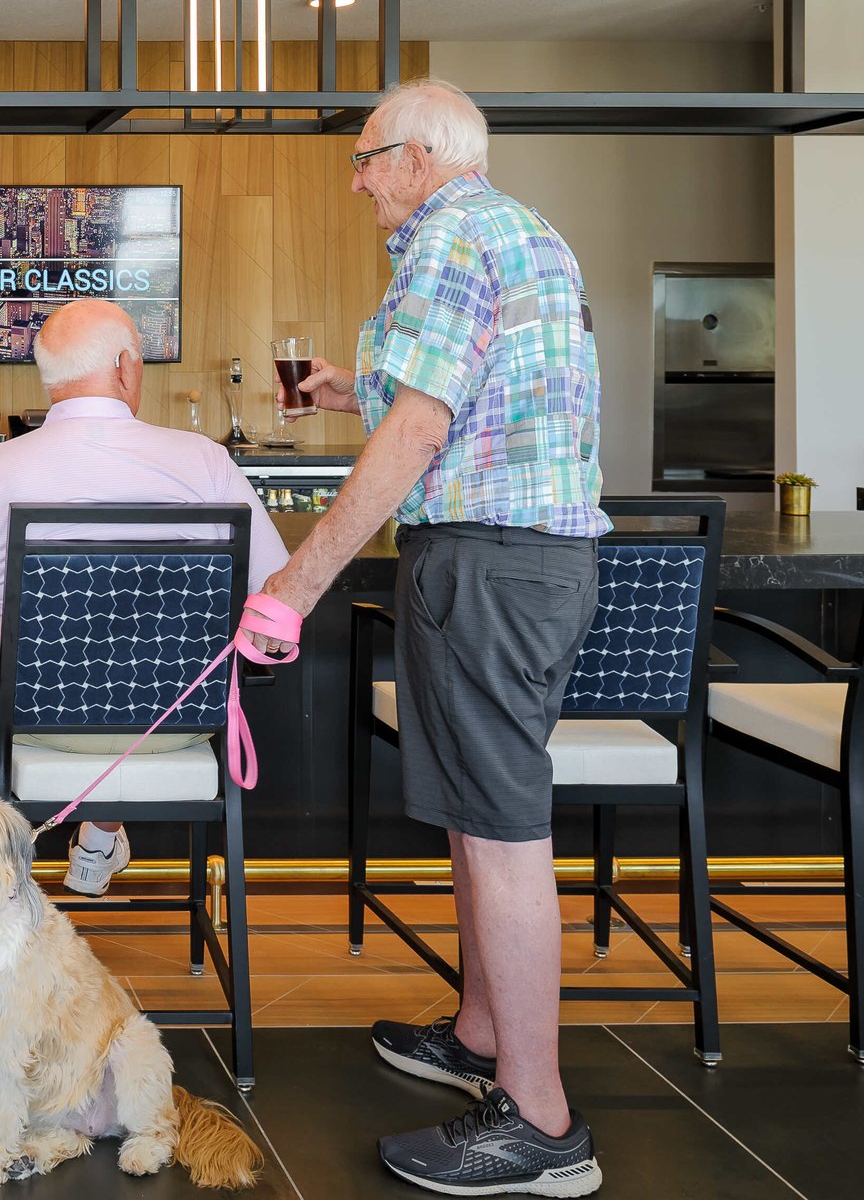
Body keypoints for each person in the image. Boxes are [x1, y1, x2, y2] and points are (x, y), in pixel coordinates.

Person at [252, 80, 608, 1196]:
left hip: (485, 562)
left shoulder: (449, 235)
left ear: (417, 156)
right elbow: (472, 391)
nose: (356, 179)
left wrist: (294, 586)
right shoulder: (521, 230)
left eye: (365, 157)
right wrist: (345, 388)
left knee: (499, 831)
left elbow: (420, 427)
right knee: (473, 812)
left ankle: (539, 1124)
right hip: (527, 563)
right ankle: (480, 1036)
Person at [0, 299, 288, 896]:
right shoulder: (205, 462)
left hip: (37, 722)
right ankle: (96, 843)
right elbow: (275, 593)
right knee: (128, 662)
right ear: (125, 366)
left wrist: (17, 616)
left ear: (48, 378)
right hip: (176, 719)